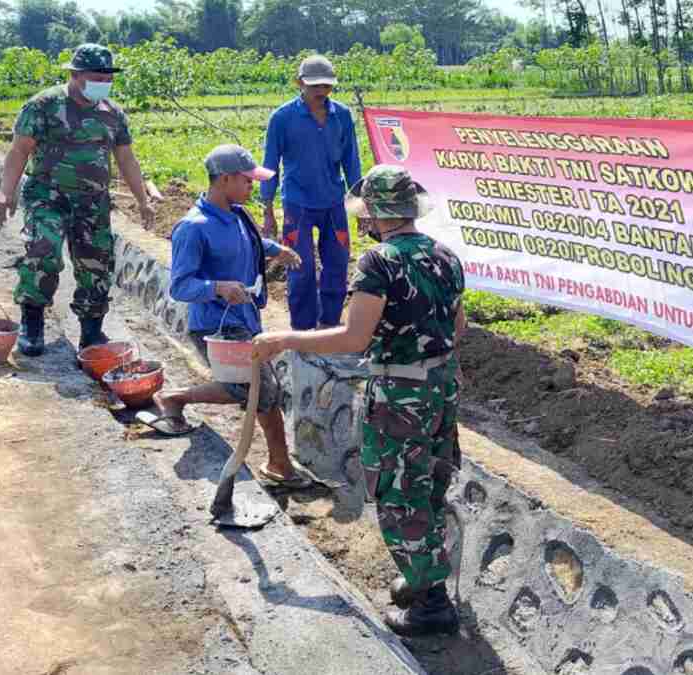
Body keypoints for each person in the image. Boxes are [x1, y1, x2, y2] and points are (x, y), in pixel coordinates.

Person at [251, 165, 466, 636]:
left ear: (374, 213)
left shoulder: (380, 263)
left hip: (400, 394)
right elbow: (457, 328)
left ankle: (432, 604)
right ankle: (421, 575)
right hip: (442, 386)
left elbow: (354, 337)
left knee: (398, 490)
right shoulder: (446, 256)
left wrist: (288, 339)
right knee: (429, 480)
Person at [144, 144, 310, 489]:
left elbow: (250, 242)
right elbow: (180, 286)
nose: (253, 187)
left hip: (246, 319)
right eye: (247, 180)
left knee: (254, 389)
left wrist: (277, 250)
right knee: (262, 388)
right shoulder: (193, 227)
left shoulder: (237, 214)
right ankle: (279, 464)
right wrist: (217, 287)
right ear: (224, 179)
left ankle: (177, 398)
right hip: (215, 325)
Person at [0, 43, 156, 356]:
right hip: (48, 196)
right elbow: (19, 151)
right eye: (97, 75)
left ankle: (92, 332)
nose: (103, 81)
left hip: (93, 203)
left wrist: (143, 199)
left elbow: (126, 159)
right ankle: (32, 322)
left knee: (96, 264)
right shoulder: (43, 105)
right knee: (43, 251)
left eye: (108, 75)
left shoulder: (112, 113)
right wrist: (6, 191)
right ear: (75, 74)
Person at [261, 54, 362, 331]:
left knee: (337, 266)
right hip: (298, 205)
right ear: (300, 84)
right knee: (300, 268)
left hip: (333, 203)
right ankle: (303, 329)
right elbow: (270, 164)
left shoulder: (341, 115)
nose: (321, 92)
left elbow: (351, 162)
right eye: (314, 86)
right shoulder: (282, 118)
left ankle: (329, 324)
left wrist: (363, 206)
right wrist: (267, 209)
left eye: (326, 86)